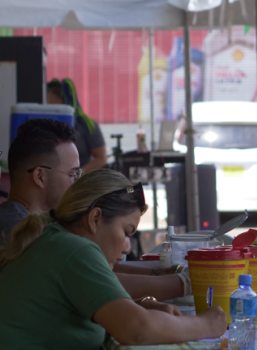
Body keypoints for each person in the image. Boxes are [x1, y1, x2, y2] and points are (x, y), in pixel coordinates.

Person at [0, 169, 227, 348]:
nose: (127, 248)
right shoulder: (76, 250)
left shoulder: (55, 240)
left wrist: (135, 305)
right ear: (95, 218)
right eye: (126, 232)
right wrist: (205, 324)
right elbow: (137, 329)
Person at [0, 119, 189, 301]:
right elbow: (91, 280)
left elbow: (102, 270)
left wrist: (167, 273)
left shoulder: (39, 223)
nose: (77, 182)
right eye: (73, 174)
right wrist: (184, 283)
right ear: (40, 176)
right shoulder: (14, 229)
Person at [47, 78, 107, 172]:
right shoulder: (45, 124)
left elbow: (101, 158)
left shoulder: (86, 125)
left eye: (52, 102)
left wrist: (77, 175)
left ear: (63, 99)